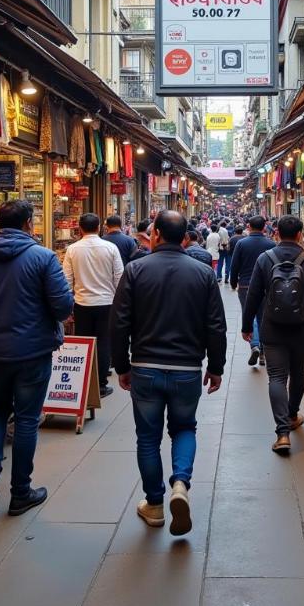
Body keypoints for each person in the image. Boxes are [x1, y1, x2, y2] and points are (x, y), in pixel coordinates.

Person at [110, 211, 226, 536]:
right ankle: (180, 483)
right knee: (184, 428)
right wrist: (216, 367)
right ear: (186, 237)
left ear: (156, 234)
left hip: (145, 368)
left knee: (147, 437)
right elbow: (216, 325)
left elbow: (119, 324)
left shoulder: (135, 270)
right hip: (187, 368)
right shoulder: (203, 273)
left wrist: (121, 365)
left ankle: (155, 504)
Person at [0, 200, 73, 516]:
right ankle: (20, 492)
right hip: (33, 351)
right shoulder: (43, 257)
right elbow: (63, 307)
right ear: (28, 223)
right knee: (25, 419)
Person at [242, 215, 304, 453]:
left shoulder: (265, 259)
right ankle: (292, 415)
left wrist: (247, 325)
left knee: (277, 377)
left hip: (272, 327)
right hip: (303, 329)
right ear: (300, 234)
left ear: (277, 233)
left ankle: (282, 434)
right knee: (298, 372)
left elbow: (253, 295)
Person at [63, 213, 124, 398]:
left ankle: (85, 381)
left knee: (84, 343)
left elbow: (66, 280)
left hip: (82, 303)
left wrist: (68, 304)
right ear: (99, 227)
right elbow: (119, 278)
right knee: (103, 342)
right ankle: (101, 384)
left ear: (80, 228)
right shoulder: (110, 248)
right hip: (107, 302)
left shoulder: (72, 249)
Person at [230, 215, 275, 367]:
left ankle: (254, 345)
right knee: (263, 317)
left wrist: (233, 282)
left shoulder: (242, 243)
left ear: (248, 226)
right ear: (264, 227)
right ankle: (262, 351)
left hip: (245, 286)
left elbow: (234, 265)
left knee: (249, 314)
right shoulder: (271, 244)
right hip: (266, 286)